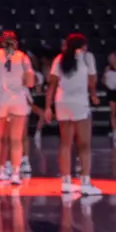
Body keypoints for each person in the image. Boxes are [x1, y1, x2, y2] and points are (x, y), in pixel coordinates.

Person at [46, 33, 101, 197]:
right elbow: (92, 81)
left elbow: (52, 84)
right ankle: (85, 181)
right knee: (84, 144)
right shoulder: (87, 57)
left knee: (65, 143)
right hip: (79, 102)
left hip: (62, 102)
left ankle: (66, 181)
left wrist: (48, 107)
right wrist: (93, 95)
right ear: (83, 45)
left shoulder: (59, 59)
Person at [0, 31, 34, 186]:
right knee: (16, 139)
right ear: (16, 43)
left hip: (0, 99)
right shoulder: (23, 57)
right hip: (18, 100)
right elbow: (30, 82)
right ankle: (16, 173)